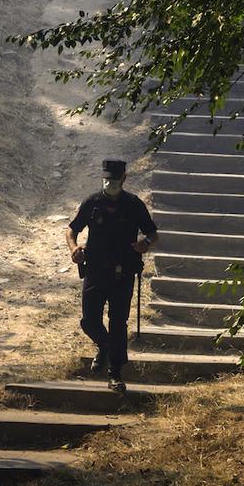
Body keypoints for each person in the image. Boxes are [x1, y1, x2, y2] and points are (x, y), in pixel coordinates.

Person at [65, 159, 159, 392]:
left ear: (124, 179)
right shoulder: (93, 202)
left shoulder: (134, 204)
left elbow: (152, 233)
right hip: (95, 269)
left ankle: (115, 373)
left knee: (118, 323)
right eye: (107, 179)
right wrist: (74, 249)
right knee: (89, 321)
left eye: (115, 180)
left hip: (123, 272)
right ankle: (105, 346)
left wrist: (144, 243)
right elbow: (72, 229)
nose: (110, 184)